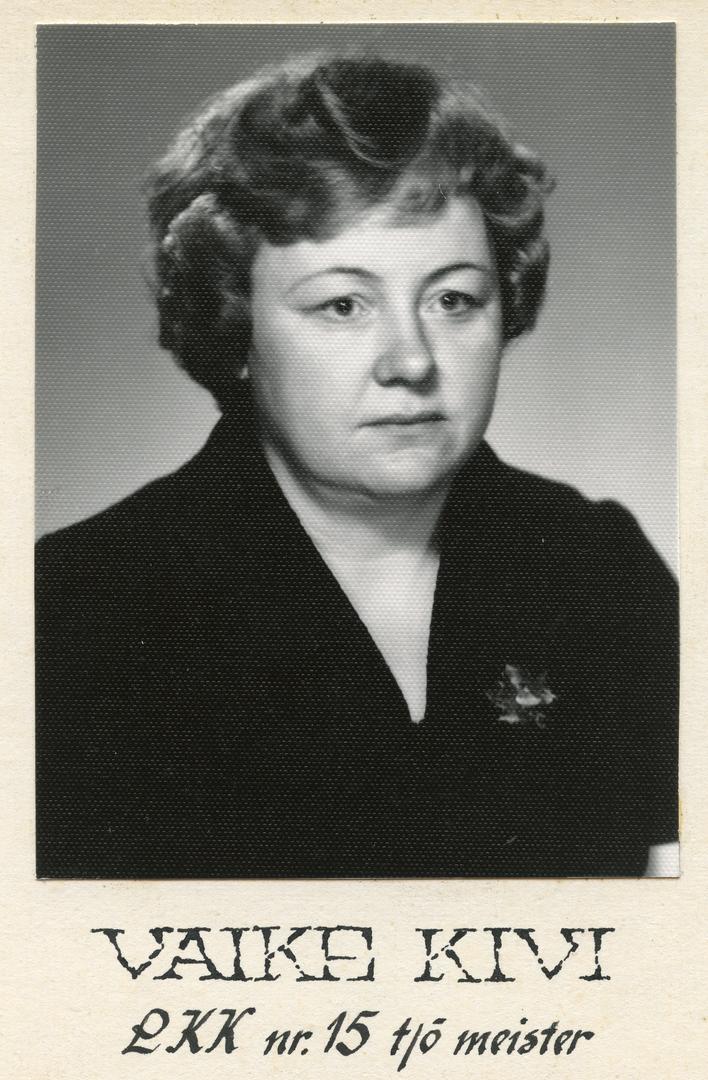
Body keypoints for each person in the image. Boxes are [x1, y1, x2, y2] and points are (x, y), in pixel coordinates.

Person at [35, 54, 678, 879]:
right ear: (235, 326)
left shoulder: (599, 569)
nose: (411, 360)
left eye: (453, 299)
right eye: (343, 305)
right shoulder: (79, 610)